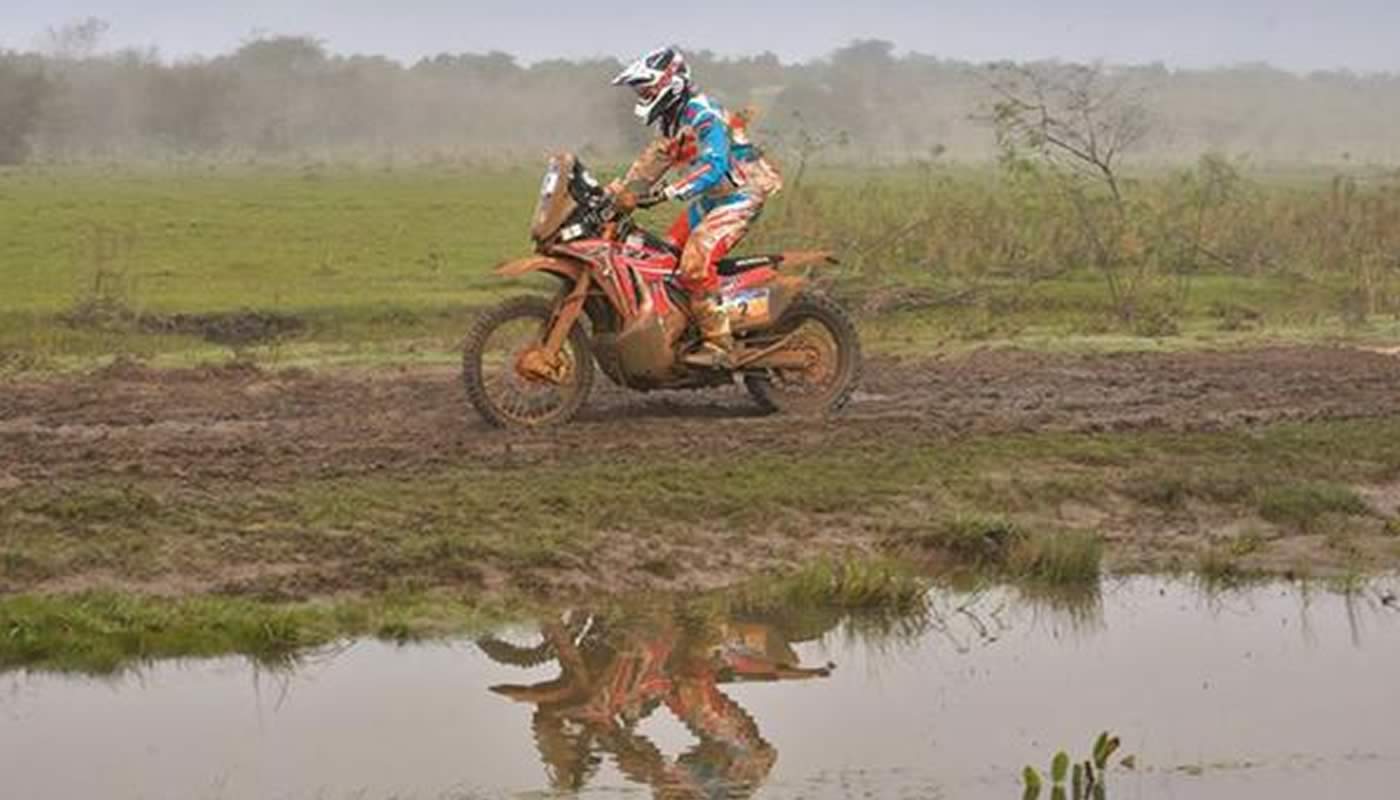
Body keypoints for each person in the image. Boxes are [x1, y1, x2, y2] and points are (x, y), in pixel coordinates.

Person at [609, 47, 783, 367]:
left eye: (646, 89)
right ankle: (681, 330)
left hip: (743, 194)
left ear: (670, 84)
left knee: (695, 262)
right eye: (640, 91)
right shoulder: (674, 121)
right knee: (664, 255)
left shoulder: (704, 114)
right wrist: (616, 194)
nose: (642, 95)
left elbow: (714, 165)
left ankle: (721, 345)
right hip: (715, 198)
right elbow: (653, 162)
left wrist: (670, 191)